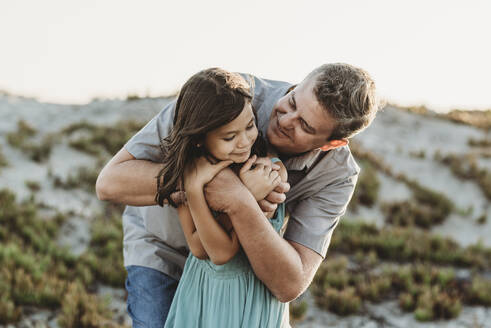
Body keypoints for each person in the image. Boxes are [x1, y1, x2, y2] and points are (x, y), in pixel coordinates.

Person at [96, 63, 380, 327]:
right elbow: (110, 183)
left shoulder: (337, 174)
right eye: (292, 101)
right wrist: (219, 184)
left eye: (304, 125)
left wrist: (241, 204)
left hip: (236, 281)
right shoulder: (224, 94)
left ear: (333, 144)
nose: (285, 119)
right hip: (163, 251)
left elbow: (289, 283)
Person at [156, 68, 289, 327]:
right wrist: (193, 187)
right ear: (198, 140)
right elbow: (197, 247)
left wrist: (242, 195)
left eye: (250, 126)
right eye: (229, 137)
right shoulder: (189, 171)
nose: (244, 142)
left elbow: (222, 251)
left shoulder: (269, 172)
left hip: (247, 301)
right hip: (201, 296)